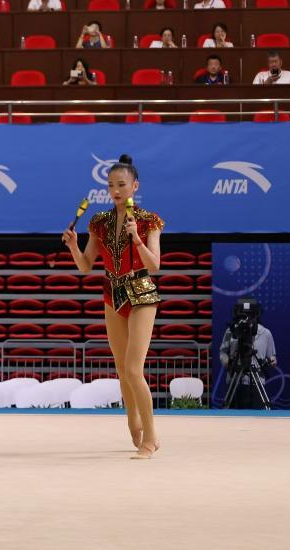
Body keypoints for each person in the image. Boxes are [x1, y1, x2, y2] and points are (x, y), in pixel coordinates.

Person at [63, 154, 164, 459]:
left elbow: (154, 266)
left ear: (135, 186)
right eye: (110, 185)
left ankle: (151, 437)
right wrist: (73, 246)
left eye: (121, 184)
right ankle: (133, 419)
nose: (115, 190)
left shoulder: (148, 220)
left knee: (134, 369)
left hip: (141, 292)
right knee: (122, 369)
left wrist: (137, 240)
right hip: (112, 292)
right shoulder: (100, 222)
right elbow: (85, 266)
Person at [219, 319, 277, 409]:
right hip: (234, 381)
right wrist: (227, 362)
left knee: (258, 416)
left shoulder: (265, 333)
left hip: (257, 383)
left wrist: (272, 360)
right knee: (231, 415)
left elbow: (272, 357)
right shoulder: (231, 331)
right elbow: (223, 352)